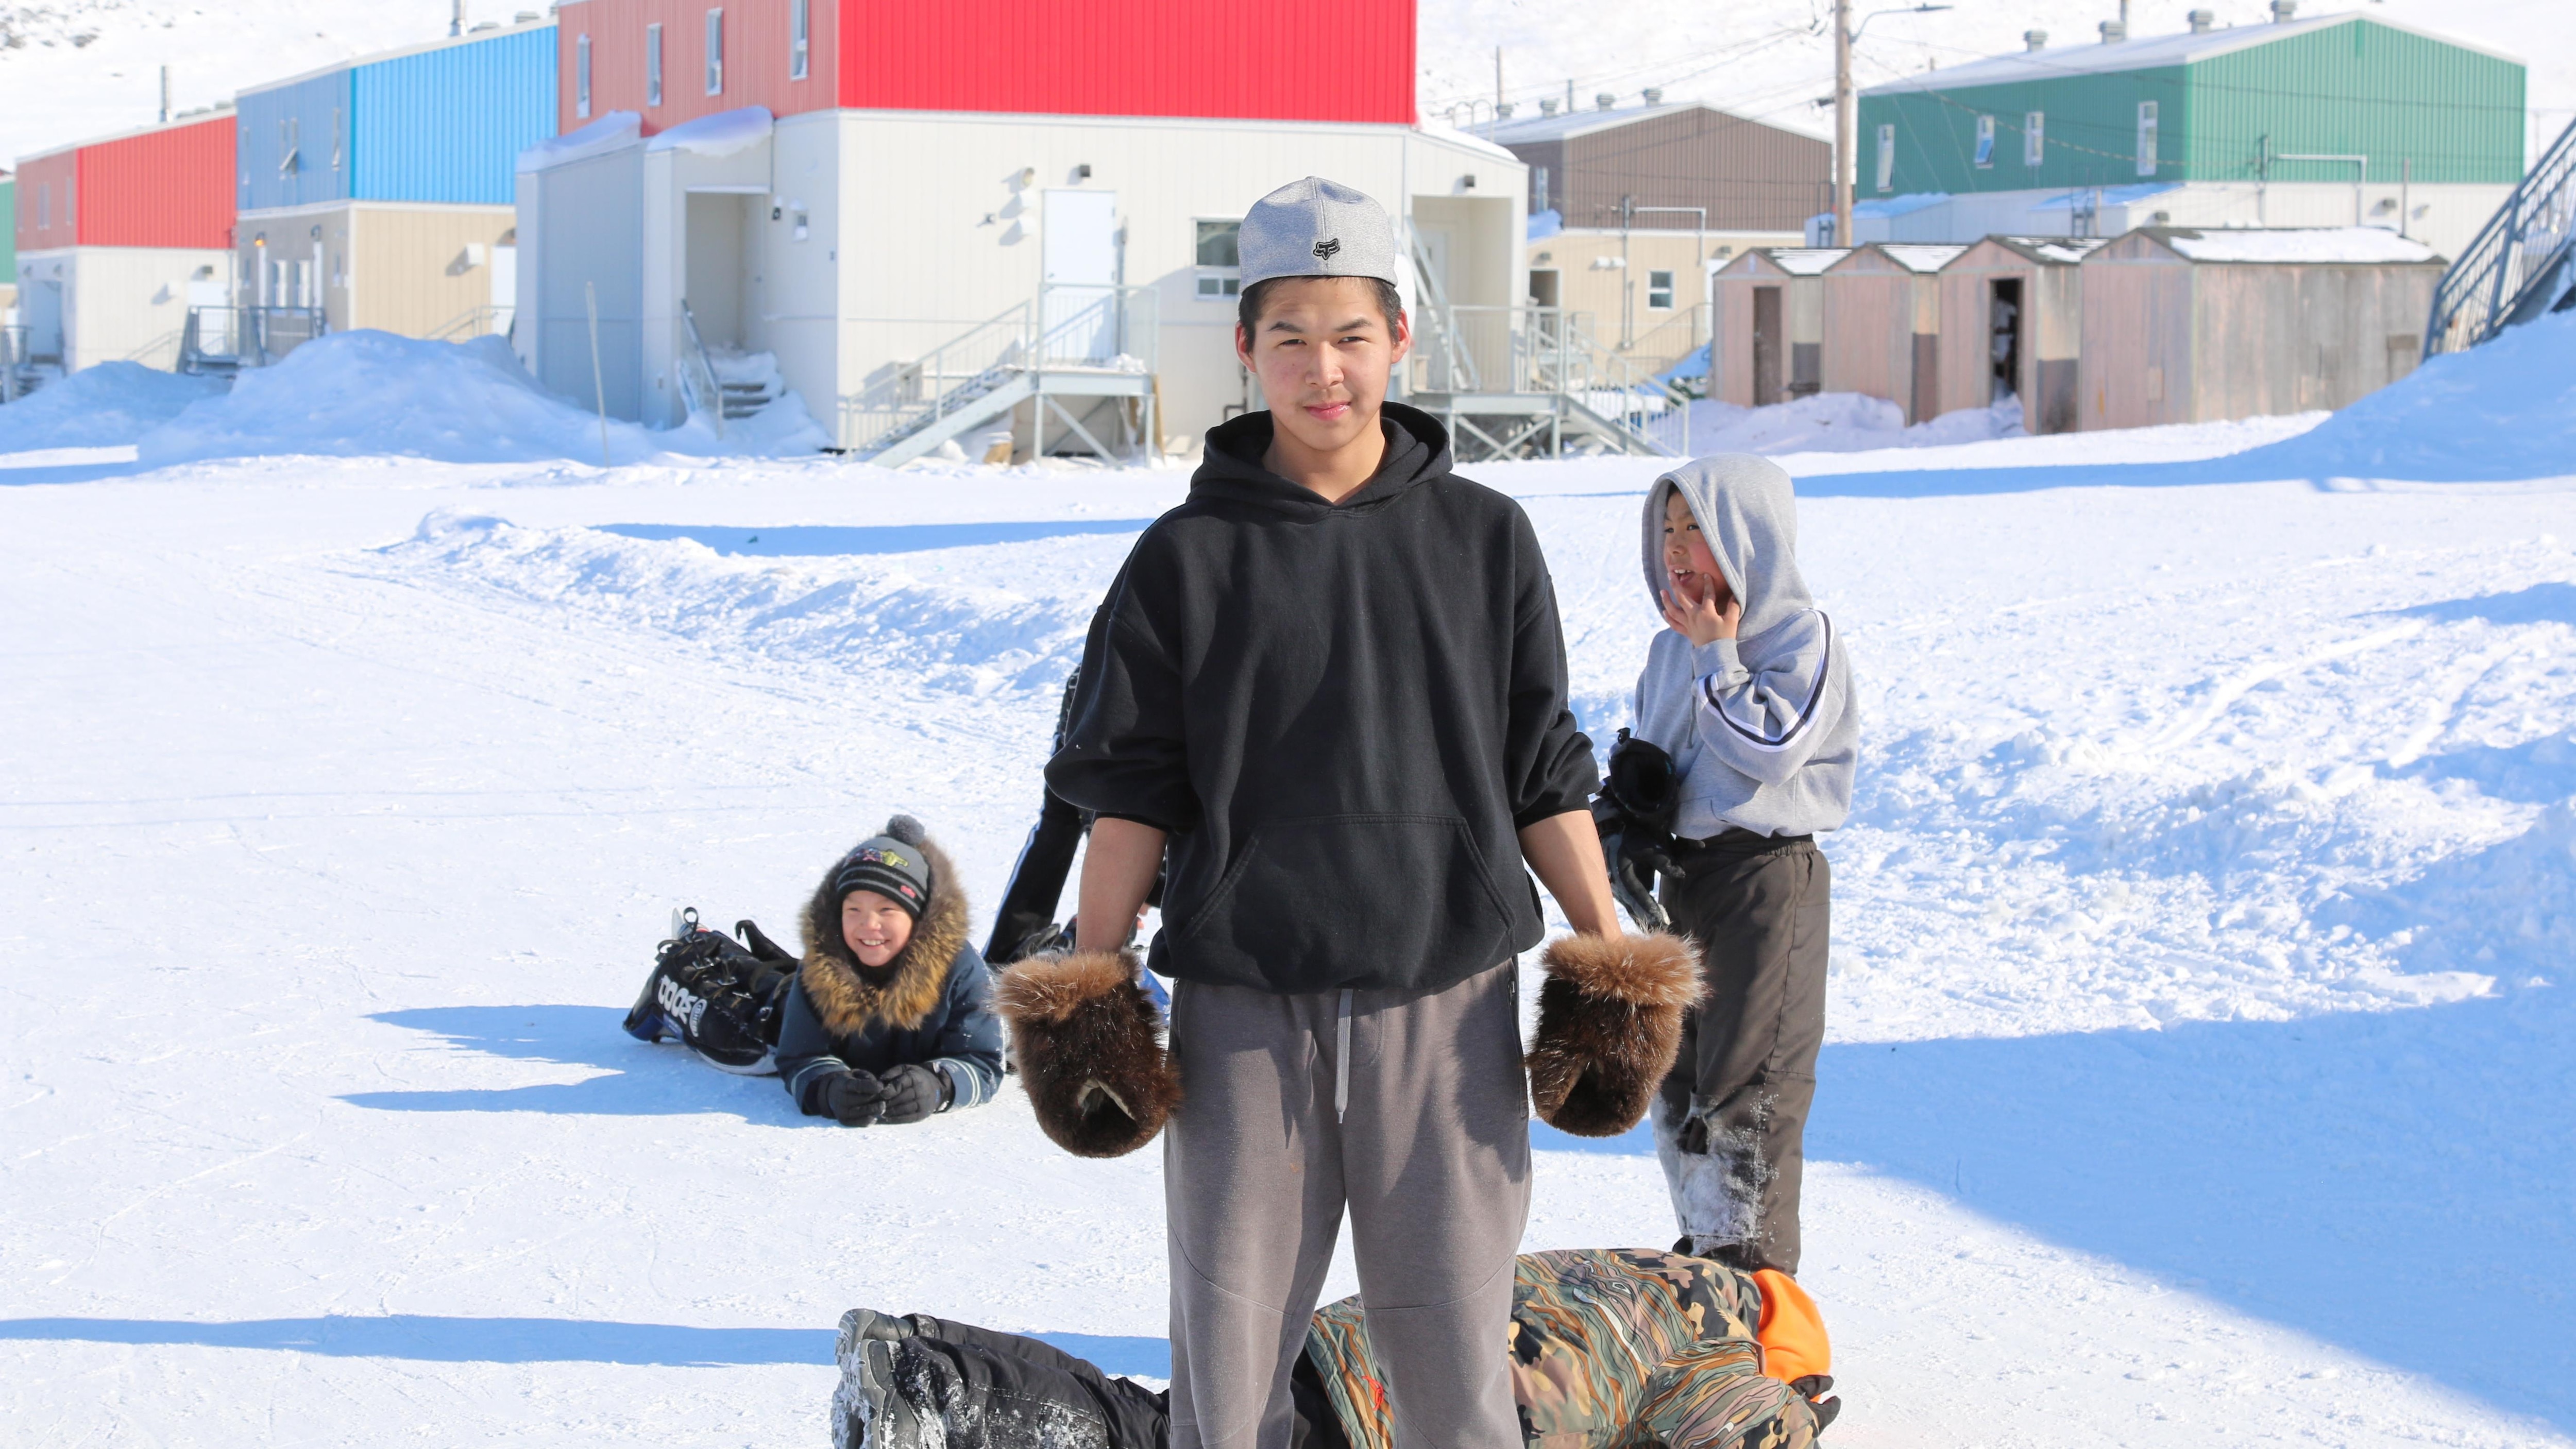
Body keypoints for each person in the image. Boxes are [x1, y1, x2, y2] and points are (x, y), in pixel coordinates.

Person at [993, 175, 1699, 1449]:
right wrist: (1091, 985)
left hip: (1445, 1001)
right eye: (1293, 337)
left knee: (1452, 1356)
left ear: (1400, 338)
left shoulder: (1485, 539)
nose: (1326, 369)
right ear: (1247, 349)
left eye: (1352, 334)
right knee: (1228, 1355)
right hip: (1243, 1010)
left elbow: (1542, 766)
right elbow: (1130, 800)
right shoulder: (1183, 558)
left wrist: (1609, 958)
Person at [828, 1247, 1839, 1449]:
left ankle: (918, 1357)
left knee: (1169, 1418)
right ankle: (935, 1388)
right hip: (1401, 1408)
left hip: (1359, 1342)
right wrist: (1794, 1417)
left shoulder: (1657, 1278)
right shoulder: (1728, 1357)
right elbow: (1729, 1437)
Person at [1620, 459, 1858, 1274]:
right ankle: (1705, 1273)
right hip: (1688, 886)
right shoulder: (1668, 649)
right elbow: (1653, 763)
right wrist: (1626, 823)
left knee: (1747, 1097)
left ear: (1748, 538)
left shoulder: (1800, 639)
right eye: (1669, 530)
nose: (1679, 549)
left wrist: (1719, 654)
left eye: (1699, 530)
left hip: (1765, 879)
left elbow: (1769, 749)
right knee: (1678, 1092)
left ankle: (1759, 1306)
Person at [771, 815, 1005, 1127]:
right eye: (853, 910)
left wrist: (936, 1087)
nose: (869, 925)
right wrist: (830, 1088)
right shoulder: (821, 966)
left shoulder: (961, 969)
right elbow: (800, 1056)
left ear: (919, 916)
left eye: (887, 910)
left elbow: (983, 1063)